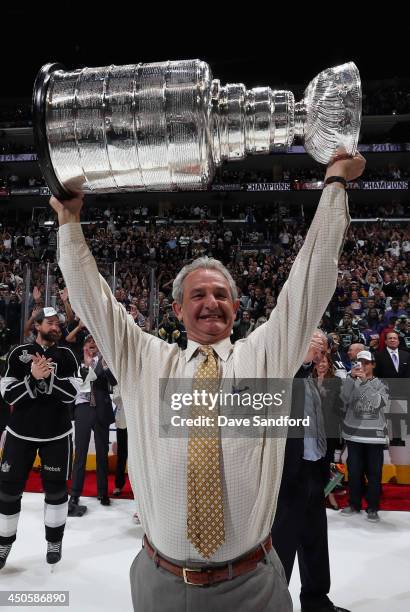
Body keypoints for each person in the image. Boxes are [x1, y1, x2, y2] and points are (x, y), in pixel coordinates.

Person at [51, 150, 365, 612]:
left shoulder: (263, 357)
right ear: (177, 309)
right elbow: (93, 301)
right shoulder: (144, 360)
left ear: (236, 310)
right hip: (159, 583)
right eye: (198, 294)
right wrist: (69, 222)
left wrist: (335, 184)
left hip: (253, 583)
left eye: (221, 294)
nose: (211, 302)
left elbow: (310, 280)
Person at [271, 331, 349, 612]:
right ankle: (274, 604)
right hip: (288, 475)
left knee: (315, 539)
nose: (317, 350)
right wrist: (303, 361)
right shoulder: (284, 372)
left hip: (315, 470)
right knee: (282, 543)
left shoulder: (323, 380)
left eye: (321, 346)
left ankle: (316, 600)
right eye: (311, 343)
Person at [0, 307, 79, 568]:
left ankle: (54, 541)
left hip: (57, 434)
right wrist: (32, 378)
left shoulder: (67, 355)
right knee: (9, 492)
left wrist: (50, 379)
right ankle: (3, 544)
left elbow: (72, 395)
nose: (56, 326)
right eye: (51, 322)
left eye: (58, 323)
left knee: (56, 491)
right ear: (37, 326)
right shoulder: (16, 354)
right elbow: (8, 395)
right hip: (19, 433)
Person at [69, 336, 116, 515]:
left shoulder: (105, 362)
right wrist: (88, 365)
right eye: (89, 346)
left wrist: (104, 367)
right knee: (80, 453)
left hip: (101, 409)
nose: (92, 348)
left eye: (95, 346)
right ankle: (75, 494)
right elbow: (81, 382)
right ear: (83, 348)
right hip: (83, 408)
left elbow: (114, 382)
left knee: (102, 454)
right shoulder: (77, 364)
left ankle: (103, 493)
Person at [340, 350, 389, 522]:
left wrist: (363, 383)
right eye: (359, 362)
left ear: (373, 365)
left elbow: (377, 403)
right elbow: (343, 400)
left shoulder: (381, 384)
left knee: (374, 474)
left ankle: (373, 508)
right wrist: (350, 379)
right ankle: (354, 504)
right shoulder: (351, 381)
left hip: (374, 437)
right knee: (353, 472)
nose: (362, 366)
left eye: (366, 363)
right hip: (354, 436)